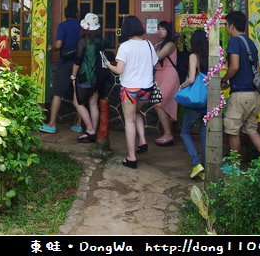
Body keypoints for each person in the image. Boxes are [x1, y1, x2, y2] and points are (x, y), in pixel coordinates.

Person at [103, 16, 159, 169]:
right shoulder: (148, 44)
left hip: (130, 89)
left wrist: (108, 65)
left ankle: (131, 157)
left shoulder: (125, 46)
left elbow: (119, 70)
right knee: (136, 113)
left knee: (129, 120)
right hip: (146, 88)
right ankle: (142, 141)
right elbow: (155, 64)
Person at [220, 11, 260, 165]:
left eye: (226, 26)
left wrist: (224, 79)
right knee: (251, 129)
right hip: (254, 94)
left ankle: (234, 166)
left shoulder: (234, 42)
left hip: (241, 94)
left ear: (231, 26)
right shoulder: (251, 42)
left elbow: (234, 67)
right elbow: (258, 70)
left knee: (232, 130)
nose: (226, 29)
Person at [40, 5, 82, 134]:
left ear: (65, 15)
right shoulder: (82, 25)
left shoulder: (63, 26)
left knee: (57, 93)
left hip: (65, 64)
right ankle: (79, 124)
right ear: (77, 13)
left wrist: (49, 48)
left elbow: (58, 45)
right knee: (80, 95)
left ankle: (52, 124)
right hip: (80, 63)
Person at [70, 13, 107, 143]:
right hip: (98, 77)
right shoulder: (100, 41)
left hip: (85, 76)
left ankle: (90, 130)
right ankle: (94, 131)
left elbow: (78, 60)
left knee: (77, 102)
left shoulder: (83, 41)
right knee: (92, 103)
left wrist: (73, 77)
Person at [179, 29, 209, 179]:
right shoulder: (211, 57)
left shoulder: (194, 56)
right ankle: (205, 167)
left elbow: (191, 79)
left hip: (195, 101)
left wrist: (181, 86)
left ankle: (196, 163)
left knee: (185, 132)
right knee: (204, 135)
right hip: (207, 100)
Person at [153, 20, 179, 146]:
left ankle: (168, 134)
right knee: (160, 103)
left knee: (159, 102)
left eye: (163, 29)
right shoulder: (158, 44)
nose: (160, 31)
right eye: (159, 29)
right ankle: (168, 133)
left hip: (169, 75)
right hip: (159, 74)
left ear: (168, 30)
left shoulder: (169, 44)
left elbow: (156, 58)